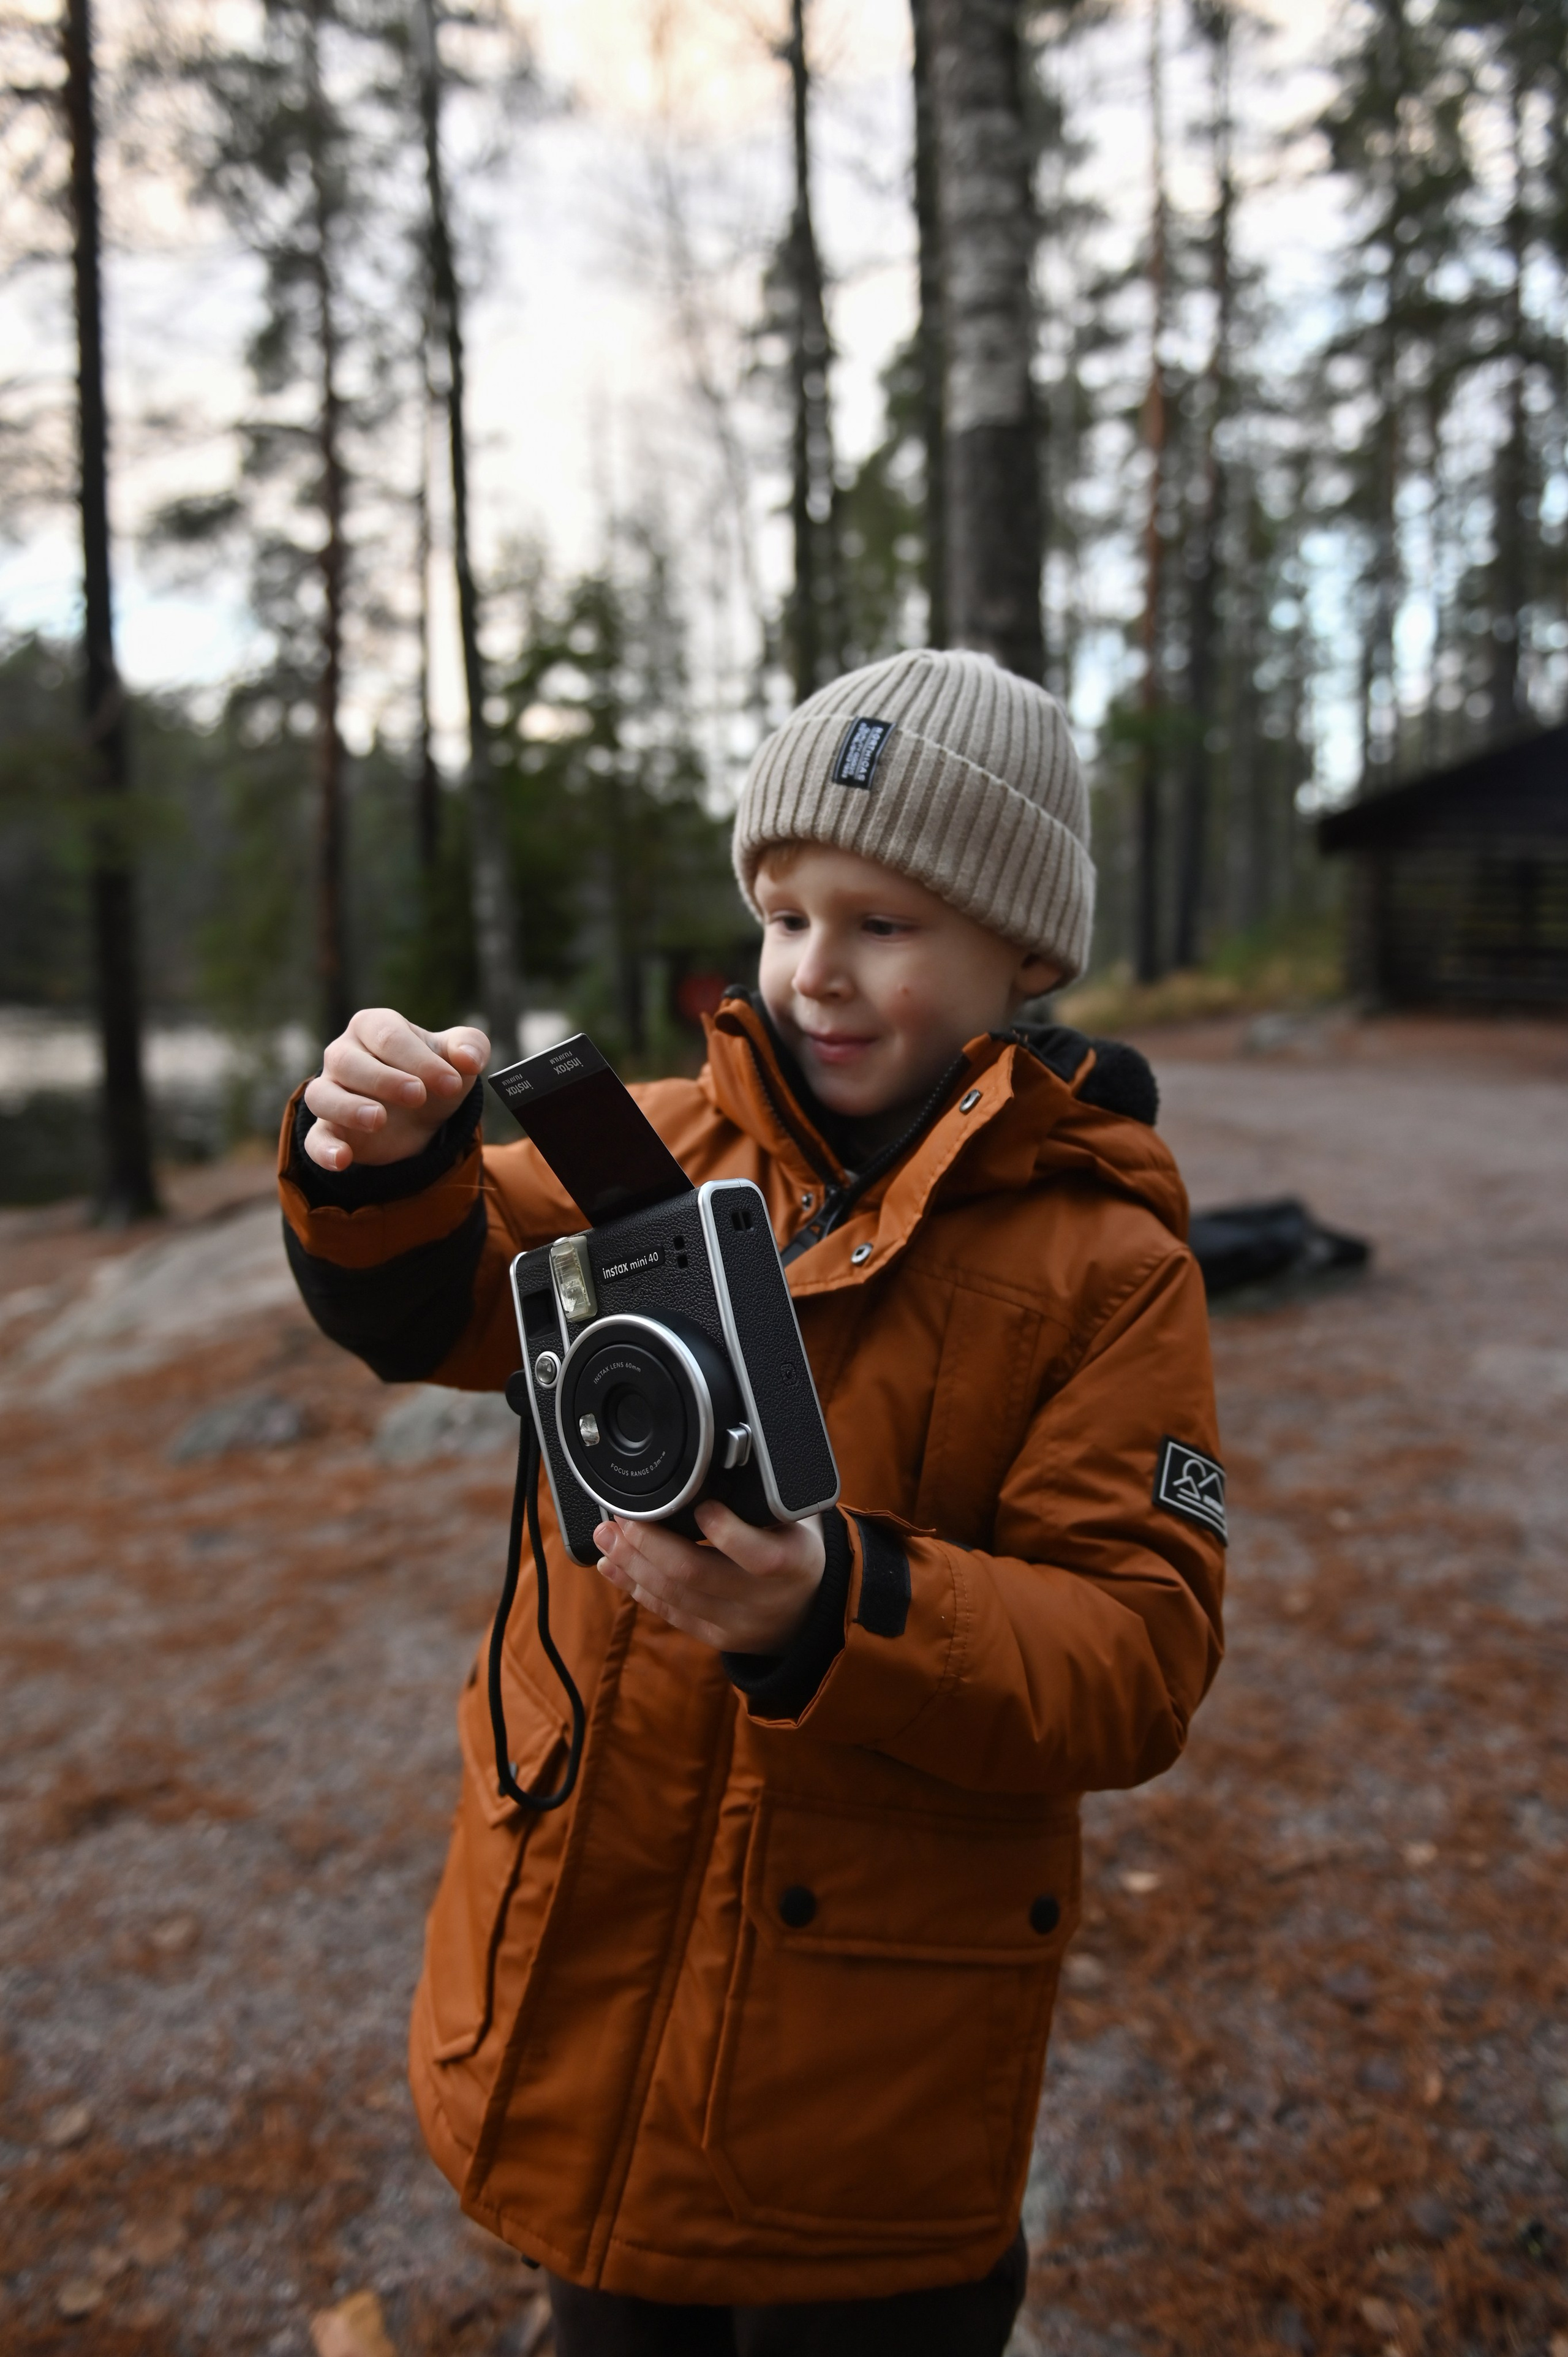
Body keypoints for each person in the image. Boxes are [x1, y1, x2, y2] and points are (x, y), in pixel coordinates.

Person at [278, 648, 1226, 2356]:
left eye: (884, 922)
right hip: (589, 1980)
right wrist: (386, 1163)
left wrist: (833, 1607)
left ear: (1025, 954)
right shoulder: (644, 1156)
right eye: (785, 916)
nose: (815, 973)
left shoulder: (1107, 1266)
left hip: (867, 2072)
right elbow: (433, 1302)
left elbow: (1136, 1656)